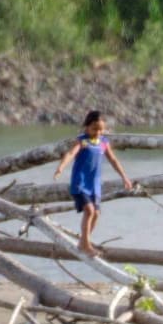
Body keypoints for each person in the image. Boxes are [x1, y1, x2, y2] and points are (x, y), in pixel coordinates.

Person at [53, 109, 133, 257]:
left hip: (94, 186)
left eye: (101, 129)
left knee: (96, 213)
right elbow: (71, 153)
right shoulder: (83, 140)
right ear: (87, 127)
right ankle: (86, 245)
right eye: (94, 129)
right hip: (80, 183)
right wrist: (61, 167)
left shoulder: (103, 143)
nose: (97, 132)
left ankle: (83, 242)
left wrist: (124, 177)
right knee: (89, 211)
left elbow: (114, 160)